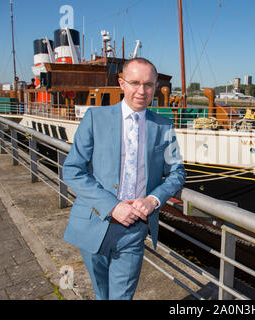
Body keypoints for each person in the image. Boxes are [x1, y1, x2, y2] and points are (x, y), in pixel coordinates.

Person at [62, 58, 186, 300]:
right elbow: (73, 170)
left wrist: (154, 199)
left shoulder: (164, 126)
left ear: (155, 86)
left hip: (134, 230)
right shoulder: (95, 118)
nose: (142, 91)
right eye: (135, 83)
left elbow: (177, 173)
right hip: (93, 222)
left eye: (149, 84)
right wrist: (113, 207)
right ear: (121, 83)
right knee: (101, 294)